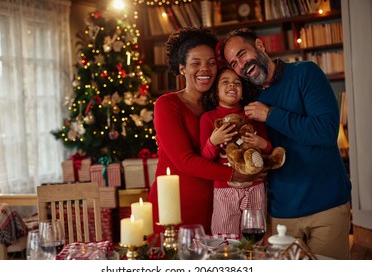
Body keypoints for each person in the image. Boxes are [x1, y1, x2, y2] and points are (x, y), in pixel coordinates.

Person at [220, 27, 352, 259]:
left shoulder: (305, 73)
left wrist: (271, 115)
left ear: (260, 45)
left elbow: (326, 132)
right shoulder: (249, 99)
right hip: (282, 212)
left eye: (242, 54)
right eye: (234, 63)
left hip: (327, 205)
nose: (241, 66)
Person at [148, 26, 265, 236]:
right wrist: (236, 174)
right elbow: (184, 160)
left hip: (217, 205)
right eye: (196, 63)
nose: (205, 69)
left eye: (211, 63)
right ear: (182, 68)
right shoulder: (167, 104)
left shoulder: (218, 108)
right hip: (174, 207)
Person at [200, 66, 273, 235]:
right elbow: (205, 157)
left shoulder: (252, 114)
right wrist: (213, 141)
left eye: (237, 83)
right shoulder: (208, 118)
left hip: (255, 186)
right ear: (216, 91)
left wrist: (262, 143)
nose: (232, 86)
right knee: (224, 237)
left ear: (242, 91)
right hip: (224, 189)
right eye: (225, 82)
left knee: (255, 236)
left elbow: (269, 150)